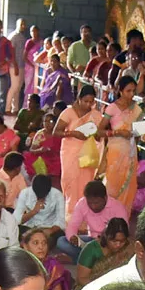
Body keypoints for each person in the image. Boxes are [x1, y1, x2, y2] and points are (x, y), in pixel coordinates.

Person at [56, 84, 102, 217]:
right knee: (70, 180)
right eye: (86, 101)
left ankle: (83, 214)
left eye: (91, 102)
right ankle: (70, 214)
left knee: (85, 183)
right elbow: (56, 132)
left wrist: (94, 133)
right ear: (79, 99)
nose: (88, 105)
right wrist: (73, 133)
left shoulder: (95, 115)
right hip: (70, 151)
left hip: (87, 154)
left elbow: (100, 136)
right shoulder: (68, 113)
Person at [99, 76, 143, 213]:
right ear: (120, 91)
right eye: (128, 91)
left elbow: (139, 131)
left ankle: (123, 216)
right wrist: (117, 132)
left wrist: (144, 134)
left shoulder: (136, 109)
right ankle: (108, 215)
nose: (131, 95)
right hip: (115, 153)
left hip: (130, 153)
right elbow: (99, 131)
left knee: (129, 185)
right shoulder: (112, 108)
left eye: (134, 91)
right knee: (113, 184)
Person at [65, 180, 129, 255]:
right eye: (90, 203)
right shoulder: (82, 203)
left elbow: (123, 232)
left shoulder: (117, 207)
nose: (93, 206)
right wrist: (72, 237)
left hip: (109, 243)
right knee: (61, 241)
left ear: (105, 198)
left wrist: (106, 241)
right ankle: (92, 258)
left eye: (96, 203)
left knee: (121, 249)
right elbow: (72, 225)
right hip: (91, 239)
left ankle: (82, 258)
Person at [22, 226, 72, 290]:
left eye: (44, 243)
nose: (41, 247)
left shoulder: (52, 266)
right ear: (25, 246)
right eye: (35, 243)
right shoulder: (19, 266)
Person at [76, 216, 130, 285]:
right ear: (106, 236)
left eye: (122, 241)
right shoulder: (91, 249)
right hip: (91, 287)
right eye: (114, 241)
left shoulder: (128, 246)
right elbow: (82, 279)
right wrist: (103, 287)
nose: (118, 245)